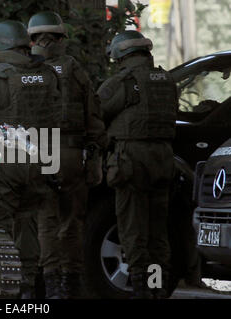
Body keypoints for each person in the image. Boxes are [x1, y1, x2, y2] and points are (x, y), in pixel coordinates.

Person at [0, 20, 61, 298]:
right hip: (40, 159)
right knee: (28, 223)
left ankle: (1, 291)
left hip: (0, 160)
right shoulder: (47, 73)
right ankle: (26, 287)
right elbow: (55, 118)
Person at [27, 11, 108, 299]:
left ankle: (49, 286)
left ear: (32, 38)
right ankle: (68, 286)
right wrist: (95, 155)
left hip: (37, 151)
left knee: (46, 222)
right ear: (62, 38)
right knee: (72, 221)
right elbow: (94, 118)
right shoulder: (75, 70)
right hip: (73, 153)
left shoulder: (24, 70)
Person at [97, 30, 178, 299]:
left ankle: (142, 291)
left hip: (132, 161)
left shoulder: (123, 81)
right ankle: (156, 288)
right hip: (164, 159)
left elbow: (96, 113)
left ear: (121, 54)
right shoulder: (166, 80)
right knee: (157, 233)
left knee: (134, 231)